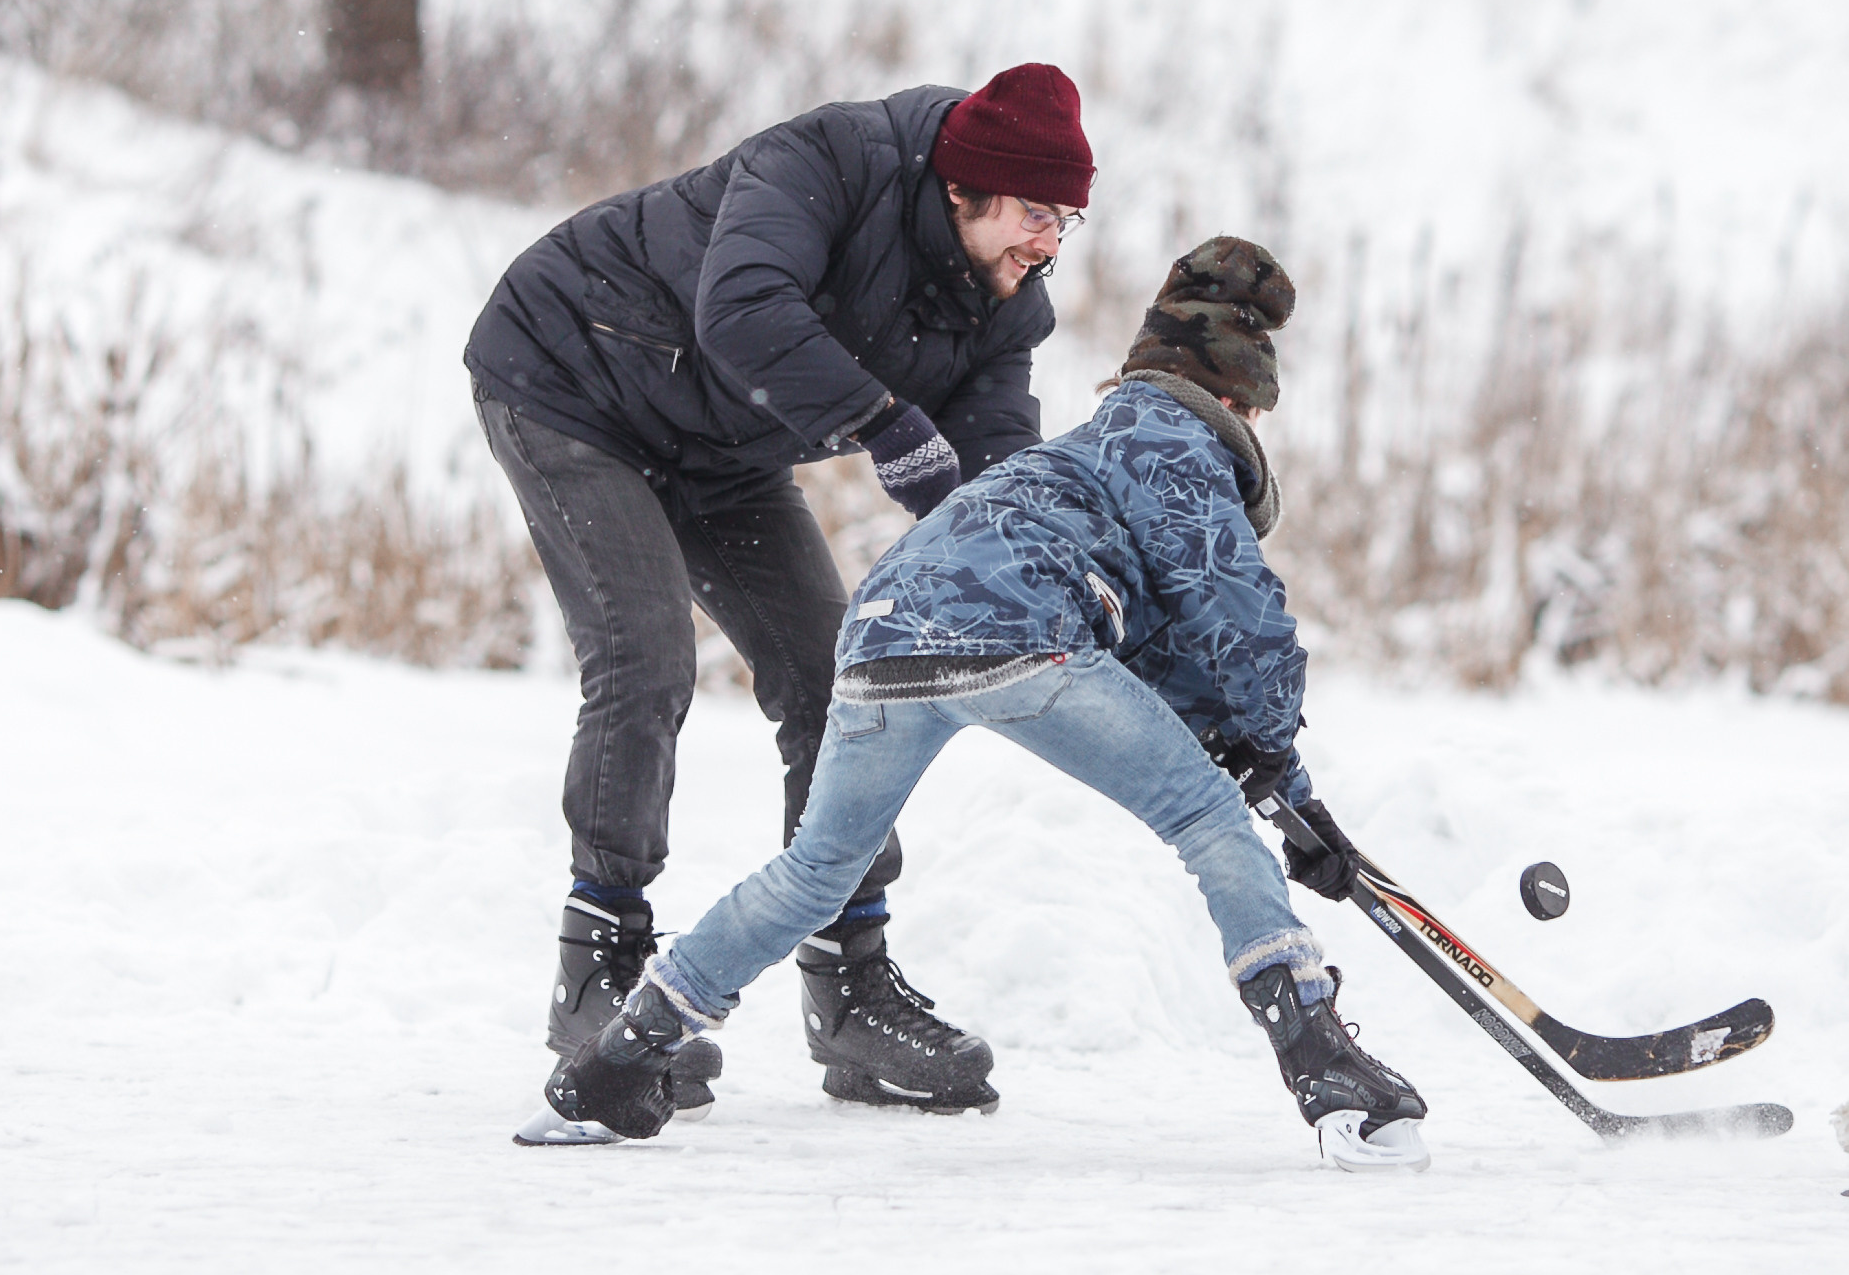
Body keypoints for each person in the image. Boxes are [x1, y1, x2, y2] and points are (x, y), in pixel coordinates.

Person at [518, 236, 1431, 1173]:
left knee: (817, 871)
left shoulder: (1080, 458)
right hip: (1015, 634)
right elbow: (1238, 618)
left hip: (882, 632)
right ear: (1234, 397)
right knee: (1205, 818)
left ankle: (615, 1066)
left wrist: (1267, 769)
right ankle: (1324, 1067)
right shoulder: (1178, 438)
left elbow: (1156, 639)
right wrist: (1274, 764)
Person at [465, 63, 1095, 1115]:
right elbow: (744, 310)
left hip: (720, 444)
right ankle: (599, 971)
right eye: (1036, 213)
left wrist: (1044, 562)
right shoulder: (826, 161)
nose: (1049, 244)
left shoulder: (1004, 305)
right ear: (962, 188)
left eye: (1068, 219)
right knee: (644, 655)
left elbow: (991, 467)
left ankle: (849, 988)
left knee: (839, 679)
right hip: (573, 379)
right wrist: (889, 423)